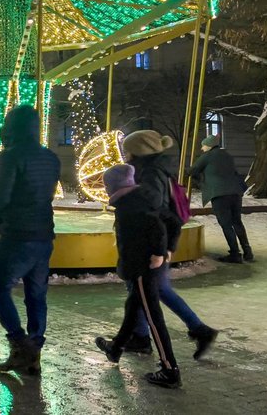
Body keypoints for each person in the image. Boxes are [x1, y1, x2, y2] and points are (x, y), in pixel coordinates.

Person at [121, 130, 218, 359]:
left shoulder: (150, 174)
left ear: (139, 152)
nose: (124, 154)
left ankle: (192, 333)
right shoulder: (154, 171)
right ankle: (141, 336)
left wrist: (162, 248)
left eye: (128, 149)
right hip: (156, 241)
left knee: (152, 290)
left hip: (151, 242)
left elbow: (154, 212)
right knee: (146, 290)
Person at [0, 105, 60, 376]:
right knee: (36, 294)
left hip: (18, 234)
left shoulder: (9, 157)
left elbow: (0, 198)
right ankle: (34, 351)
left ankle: (21, 343)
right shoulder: (51, 157)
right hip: (44, 234)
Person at [94, 164, 181, 389]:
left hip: (143, 266)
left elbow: (157, 227)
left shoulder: (131, 205)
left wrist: (159, 253)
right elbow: (171, 220)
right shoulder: (140, 197)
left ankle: (169, 369)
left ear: (114, 185)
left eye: (106, 185)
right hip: (140, 265)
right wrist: (168, 248)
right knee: (133, 308)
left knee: (153, 316)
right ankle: (116, 348)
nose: (104, 190)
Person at [189, 134, 252, 263]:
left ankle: (235, 254)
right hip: (235, 192)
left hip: (219, 194)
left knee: (226, 224)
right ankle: (248, 252)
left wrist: (199, 180)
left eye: (203, 145)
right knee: (237, 222)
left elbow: (192, 170)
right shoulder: (227, 156)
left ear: (209, 146)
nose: (202, 148)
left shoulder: (207, 156)